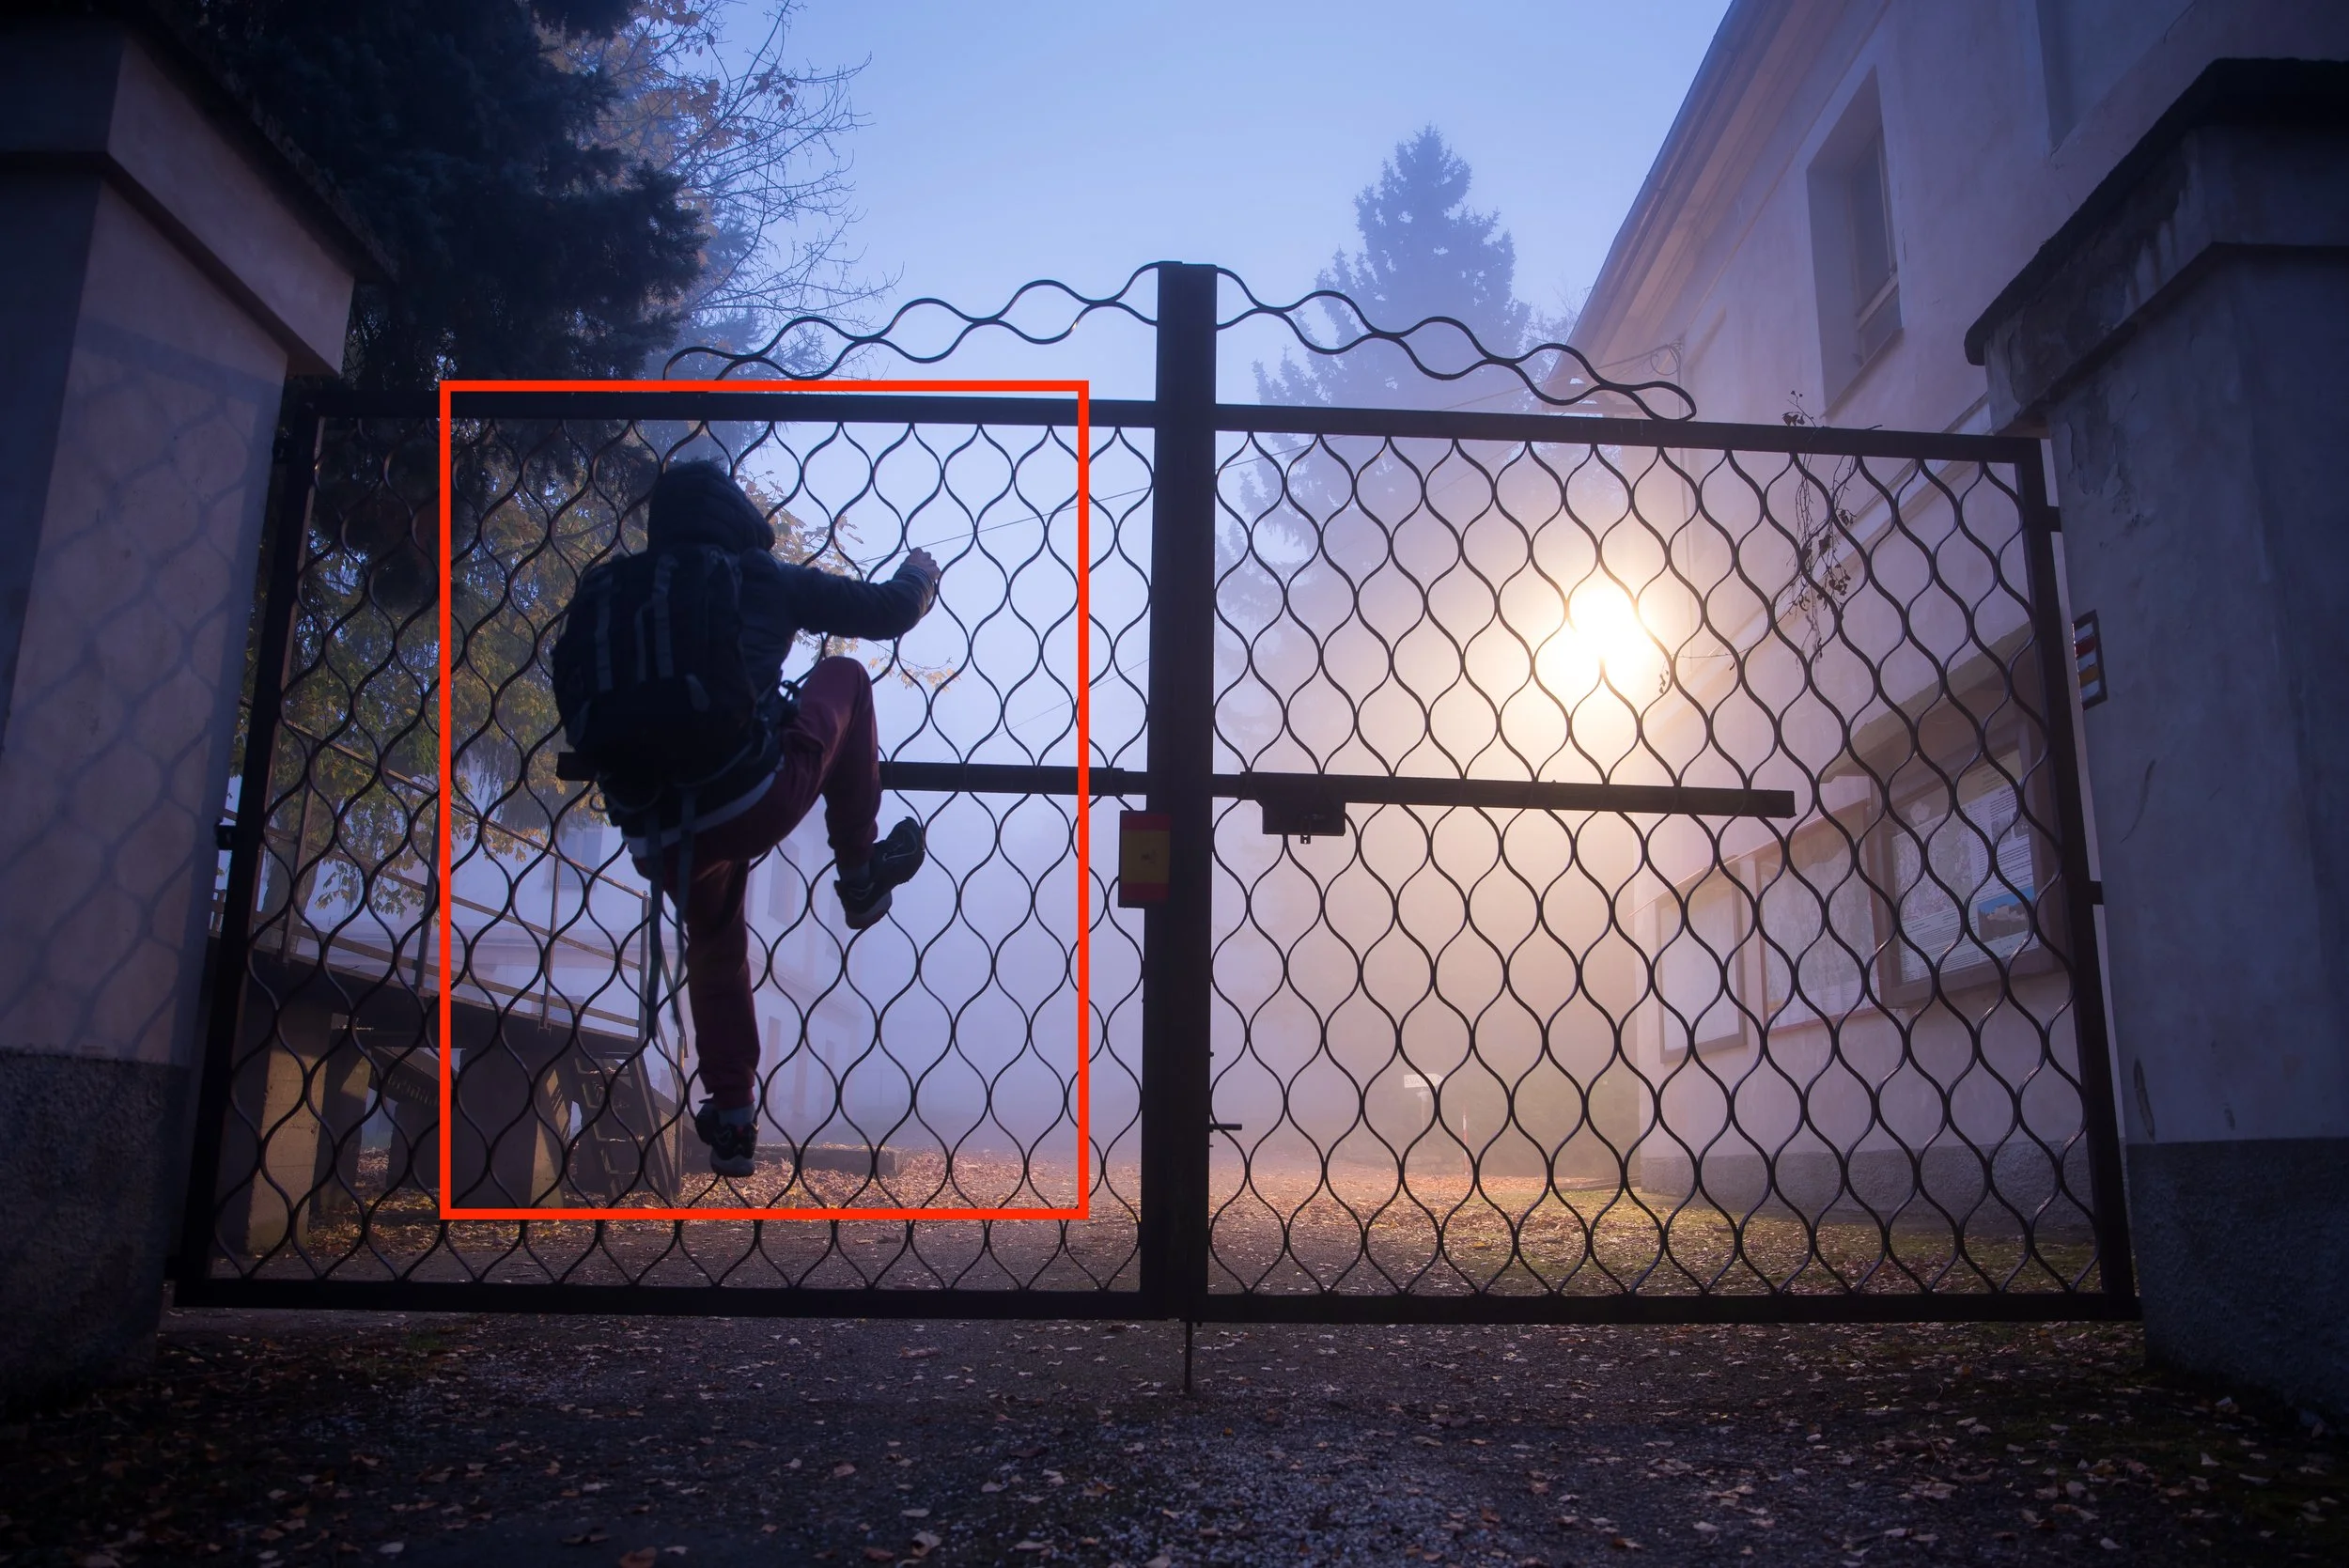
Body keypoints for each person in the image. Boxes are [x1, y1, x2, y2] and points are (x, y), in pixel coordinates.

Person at [610, 460, 941, 1177]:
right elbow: (888, 611)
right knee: (847, 676)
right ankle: (858, 868)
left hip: (656, 828)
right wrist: (923, 571)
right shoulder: (762, 575)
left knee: (716, 941)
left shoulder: (627, 587)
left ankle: (731, 1115)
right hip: (747, 799)